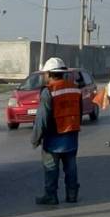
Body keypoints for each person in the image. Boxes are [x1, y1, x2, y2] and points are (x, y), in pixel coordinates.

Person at [30, 57, 82, 205]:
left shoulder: (49, 91)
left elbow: (42, 118)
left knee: (51, 167)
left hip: (54, 137)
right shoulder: (75, 88)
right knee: (71, 166)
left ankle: (51, 196)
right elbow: (79, 111)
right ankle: (72, 194)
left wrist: (36, 138)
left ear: (49, 74)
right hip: (72, 134)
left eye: (45, 73)